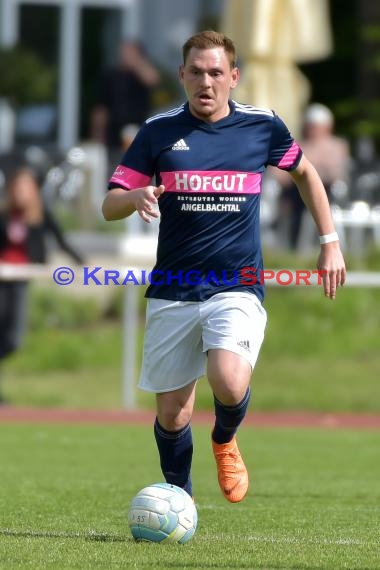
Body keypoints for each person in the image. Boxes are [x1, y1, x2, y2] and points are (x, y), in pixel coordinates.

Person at [102, 31, 346, 503]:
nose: (206, 82)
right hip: (173, 287)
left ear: (234, 77)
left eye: (216, 72)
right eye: (196, 72)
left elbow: (305, 173)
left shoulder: (262, 126)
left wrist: (329, 241)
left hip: (237, 283)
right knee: (173, 415)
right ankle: (179, 499)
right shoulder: (158, 131)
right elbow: (108, 205)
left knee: (230, 381)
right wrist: (134, 197)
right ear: (182, 75)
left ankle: (224, 439)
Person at [0, 167, 84, 403]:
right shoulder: (4, 215)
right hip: (1, 278)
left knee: (13, 339)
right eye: (16, 188)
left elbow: (61, 241)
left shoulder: (40, 215)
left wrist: (83, 265)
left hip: (21, 279)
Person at [274, 103, 351, 249]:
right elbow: (278, 173)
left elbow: (336, 172)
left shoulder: (336, 146)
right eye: (310, 126)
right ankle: (294, 244)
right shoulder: (296, 144)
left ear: (327, 127)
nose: (312, 130)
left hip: (327, 191)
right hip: (295, 191)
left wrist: (310, 170)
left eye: (316, 126)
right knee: (293, 198)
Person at [90, 40, 161, 166]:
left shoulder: (141, 74)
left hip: (138, 133)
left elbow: (153, 79)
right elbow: (101, 108)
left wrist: (136, 62)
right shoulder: (112, 76)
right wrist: (98, 134)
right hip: (114, 137)